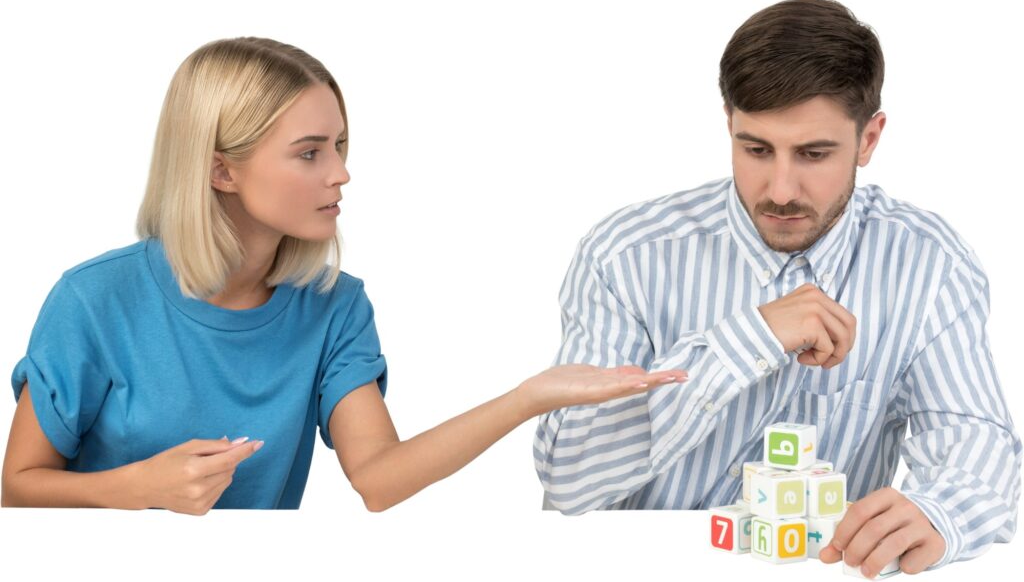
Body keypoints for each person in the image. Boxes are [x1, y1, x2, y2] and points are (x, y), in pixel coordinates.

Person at [0, 36, 687, 515]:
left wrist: (529, 397)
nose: (341, 173)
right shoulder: (94, 300)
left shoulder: (334, 307)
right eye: (308, 153)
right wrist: (137, 487)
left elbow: (379, 480)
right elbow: (18, 488)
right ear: (220, 169)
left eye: (340, 146)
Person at [532, 0, 1021, 577]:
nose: (782, 189)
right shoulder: (627, 255)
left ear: (869, 140)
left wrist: (940, 513)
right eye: (756, 149)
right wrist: (750, 340)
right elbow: (567, 475)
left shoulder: (929, 264)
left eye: (814, 153)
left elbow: (977, 441)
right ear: (728, 124)